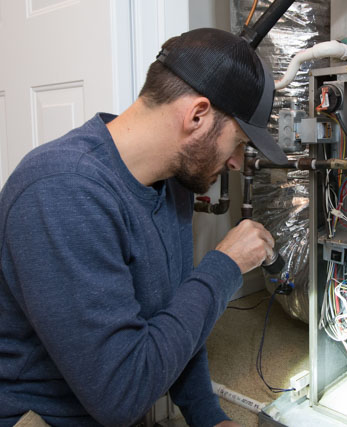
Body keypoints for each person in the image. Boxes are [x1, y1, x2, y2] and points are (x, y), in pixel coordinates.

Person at [0, 28, 288, 426]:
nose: (237, 161)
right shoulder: (61, 192)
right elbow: (121, 396)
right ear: (197, 116)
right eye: (237, 141)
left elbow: (177, 319)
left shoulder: (173, 184)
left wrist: (208, 417)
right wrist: (224, 266)